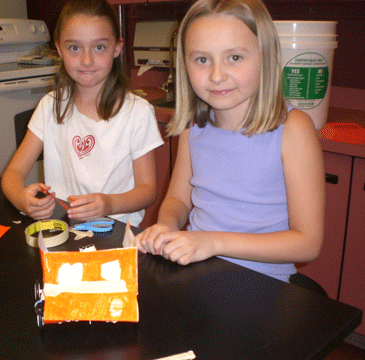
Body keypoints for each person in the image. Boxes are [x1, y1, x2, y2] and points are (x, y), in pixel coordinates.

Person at [136, 0, 325, 282]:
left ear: (265, 55)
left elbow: (307, 243)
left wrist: (213, 242)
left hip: (263, 282)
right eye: (202, 59)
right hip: (196, 269)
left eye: (234, 57)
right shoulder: (193, 126)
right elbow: (177, 199)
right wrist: (167, 224)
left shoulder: (293, 128)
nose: (216, 75)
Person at [1, 0, 163, 227]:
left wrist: (109, 204)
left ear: (117, 48)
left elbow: (147, 191)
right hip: (62, 228)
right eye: (74, 48)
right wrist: (21, 199)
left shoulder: (137, 113)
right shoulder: (50, 106)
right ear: (59, 49)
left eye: (99, 47)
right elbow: (13, 173)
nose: (86, 60)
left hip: (114, 233)